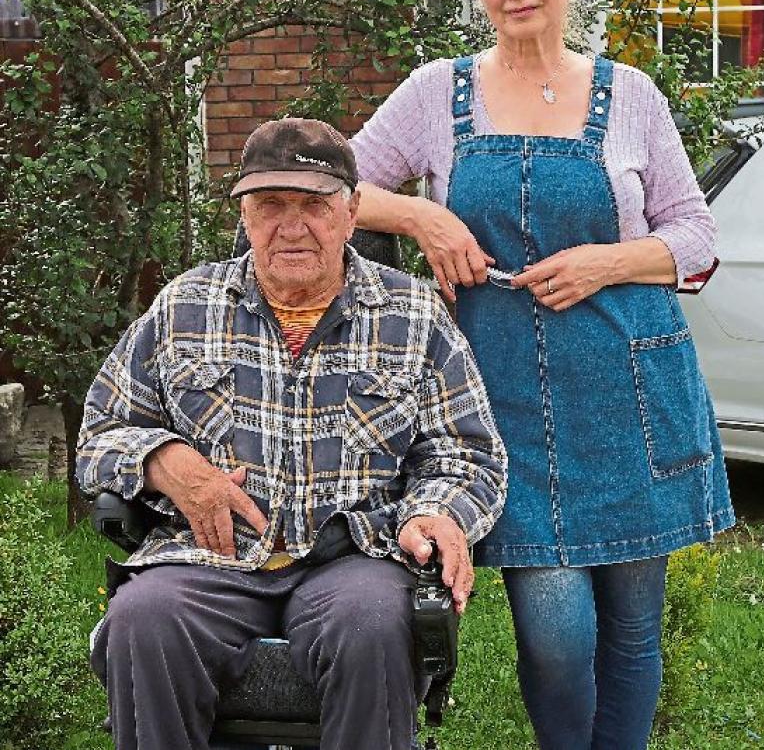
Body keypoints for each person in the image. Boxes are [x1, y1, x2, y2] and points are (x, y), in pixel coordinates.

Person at [350, 0, 735, 750]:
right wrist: (422, 215)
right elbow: (335, 185)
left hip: (630, 390)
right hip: (501, 402)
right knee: (557, 636)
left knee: (632, 630)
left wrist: (607, 260)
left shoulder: (629, 94)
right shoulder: (434, 93)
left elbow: (696, 235)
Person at [76, 118, 507, 750]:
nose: (292, 225)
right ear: (245, 215)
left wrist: (437, 514)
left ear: (352, 211)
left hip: (356, 554)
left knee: (371, 626)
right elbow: (101, 433)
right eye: (270, 204)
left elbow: (467, 454)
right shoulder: (185, 306)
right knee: (144, 619)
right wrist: (164, 460)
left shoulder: (412, 314)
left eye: (314, 204)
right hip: (211, 556)